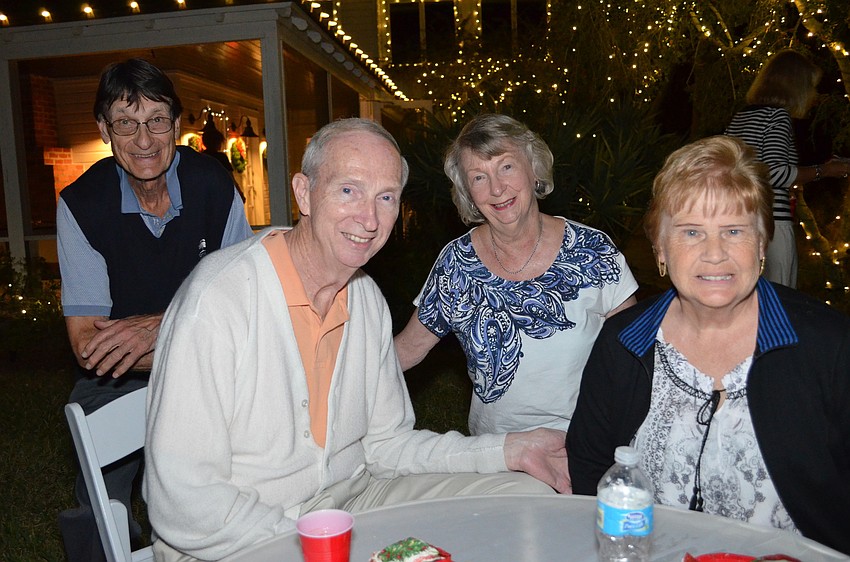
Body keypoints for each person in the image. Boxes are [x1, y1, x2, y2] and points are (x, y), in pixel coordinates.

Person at [144, 117, 571, 561]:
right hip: (235, 535)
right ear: (304, 193)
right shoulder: (219, 299)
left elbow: (388, 446)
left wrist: (508, 449)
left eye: (385, 197)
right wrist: (321, 546)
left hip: (353, 502)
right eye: (348, 190)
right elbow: (184, 502)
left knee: (523, 489)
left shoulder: (364, 299)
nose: (368, 219)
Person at [566, 135, 850, 555]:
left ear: (760, 243)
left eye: (733, 230)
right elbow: (590, 467)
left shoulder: (828, 348)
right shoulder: (623, 344)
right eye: (691, 232)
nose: (714, 253)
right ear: (661, 249)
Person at [56, 58, 254, 561]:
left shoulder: (216, 185)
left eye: (157, 120)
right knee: (99, 492)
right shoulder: (81, 204)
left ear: (177, 125)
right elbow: (88, 345)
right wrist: (191, 331)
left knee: (248, 467)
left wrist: (161, 327)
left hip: (214, 366)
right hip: (122, 375)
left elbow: (248, 306)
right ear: (105, 130)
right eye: (126, 123)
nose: (144, 140)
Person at [394, 113, 637, 435]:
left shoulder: (592, 251)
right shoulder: (457, 264)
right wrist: (330, 383)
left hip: (584, 443)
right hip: (496, 455)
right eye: (479, 177)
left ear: (533, 167)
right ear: (467, 191)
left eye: (506, 166)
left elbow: (634, 351)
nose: (497, 189)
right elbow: (409, 349)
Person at [725, 49, 850, 288]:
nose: (813, 94)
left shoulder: (741, 117)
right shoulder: (777, 117)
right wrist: (825, 171)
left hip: (741, 220)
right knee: (779, 299)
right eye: (810, 86)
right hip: (773, 223)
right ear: (796, 86)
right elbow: (776, 173)